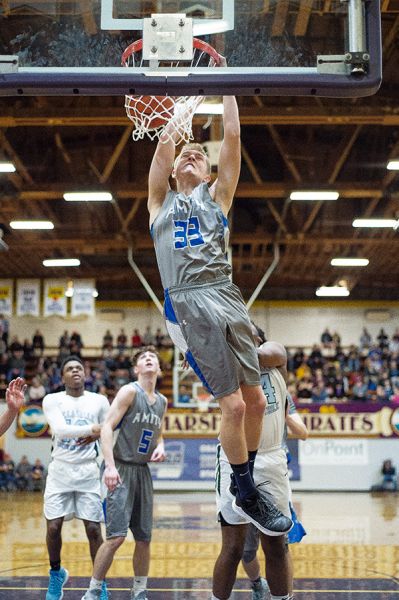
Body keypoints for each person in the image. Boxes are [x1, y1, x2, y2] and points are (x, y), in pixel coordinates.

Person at [147, 88, 291, 536]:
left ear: (210, 173)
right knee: (231, 405)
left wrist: (230, 83)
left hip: (227, 295)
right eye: (183, 155)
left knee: (255, 400)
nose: (190, 155)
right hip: (187, 301)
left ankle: (245, 486)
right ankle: (244, 488)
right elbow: (165, 147)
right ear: (172, 172)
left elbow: (231, 134)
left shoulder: (218, 198)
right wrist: (180, 109)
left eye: (198, 155)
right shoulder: (159, 203)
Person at [213, 323, 308, 600]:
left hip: (271, 459)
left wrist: (206, 350)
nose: (241, 340)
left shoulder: (275, 358)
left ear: (259, 339)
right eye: (236, 337)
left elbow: (269, 351)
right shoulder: (227, 368)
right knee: (233, 548)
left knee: (277, 545)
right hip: (234, 460)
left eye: (247, 335)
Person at [81, 346, 167, 600]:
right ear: (136, 369)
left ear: (159, 369)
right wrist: (109, 466)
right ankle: (93, 590)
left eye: (153, 357)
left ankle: (139, 590)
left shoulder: (161, 401)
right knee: (116, 537)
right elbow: (107, 427)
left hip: (142, 472)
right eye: (143, 358)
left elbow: (158, 431)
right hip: (119, 468)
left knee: (144, 538)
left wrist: (161, 445)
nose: (149, 358)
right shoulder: (130, 391)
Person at [41, 355, 110, 600]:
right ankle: (56, 573)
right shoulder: (52, 400)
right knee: (53, 527)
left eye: (79, 368)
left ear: (87, 373)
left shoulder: (99, 401)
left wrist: (101, 432)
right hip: (60, 470)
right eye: (69, 368)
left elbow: (111, 428)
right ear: (62, 377)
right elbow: (60, 431)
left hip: (88, 471)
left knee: (93, 529)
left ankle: (99, 584)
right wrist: (93, 429)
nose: (75, 371)